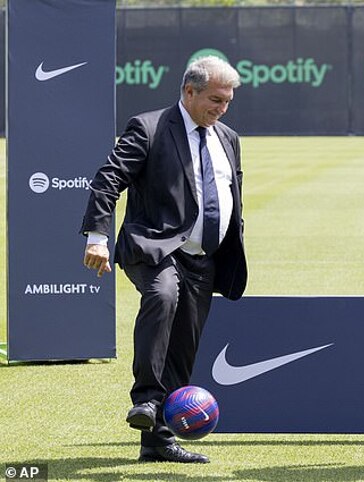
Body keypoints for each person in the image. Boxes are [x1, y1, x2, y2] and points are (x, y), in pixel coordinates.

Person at [81, 56, 248, 464]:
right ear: (189, 91)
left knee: (183, 349)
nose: (222, 108)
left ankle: (158, 442)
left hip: (204, 260)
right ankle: (146, 399)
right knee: (163, 293)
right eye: (215, 99)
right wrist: (98, 238)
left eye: (228, 101)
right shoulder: (149, 127)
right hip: (153, 247)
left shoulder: (228, 138)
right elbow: (108, 179)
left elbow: (231, 196)